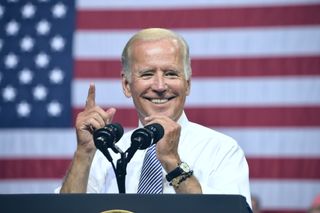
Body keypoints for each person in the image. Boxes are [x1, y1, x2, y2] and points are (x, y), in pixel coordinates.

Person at [59, 28, 251, 207]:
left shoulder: (222, 151)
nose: (160, 86)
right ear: (127, 85)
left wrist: (172, 161)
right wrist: (84, 153)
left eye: (171, 74)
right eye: (147, 74)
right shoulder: (104, 157)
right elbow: (64, 212)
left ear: (188, 84)